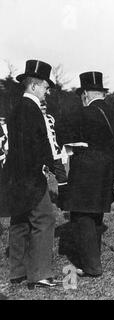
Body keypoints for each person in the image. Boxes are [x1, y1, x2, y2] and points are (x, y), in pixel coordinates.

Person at [59, 71, 114, 277]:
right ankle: (93, 259)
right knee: (95, 215)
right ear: (102, 92)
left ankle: (91, 266)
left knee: (81, 216)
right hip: (105, 174)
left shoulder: (81, 113)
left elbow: (63, 138)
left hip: (83, 172)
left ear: (85, 93)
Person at [0, 59, 60, 289]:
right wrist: (44, 169)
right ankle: (40, 273)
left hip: (13, 175)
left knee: (20, 220)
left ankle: (18, 271)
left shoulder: (16, 109)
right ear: (34, 86)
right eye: (46, 87)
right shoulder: (31, 109)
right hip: (30, 176)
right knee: (44, 219)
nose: (47, 92)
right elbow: (34, 146)